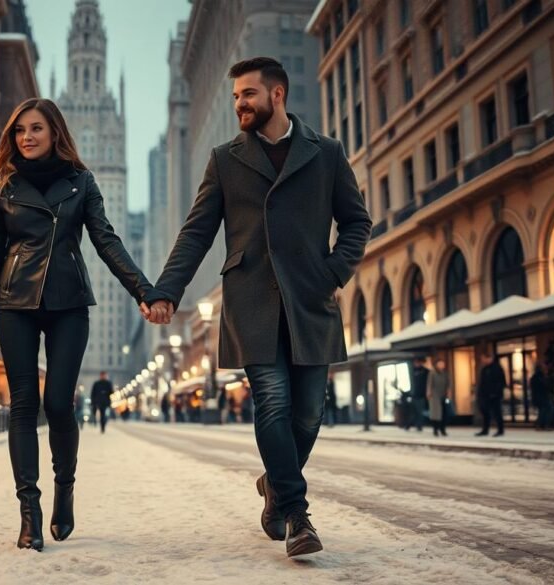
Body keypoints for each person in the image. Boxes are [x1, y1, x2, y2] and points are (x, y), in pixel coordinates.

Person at [142, 57, 371, 557]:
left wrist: (332, 272)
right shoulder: (226, 159)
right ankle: (296, 515)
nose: (240, 104)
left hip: (311, 299)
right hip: (249, 299)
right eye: (235, 97)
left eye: (248, 94)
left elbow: (357, 222)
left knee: (310, 413)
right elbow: (198, 231)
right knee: (272, 400)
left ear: (278, 95)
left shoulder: (326, 153)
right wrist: (166, 290)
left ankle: (273, 484)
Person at [0, 98, 155, 552]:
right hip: (16, 304)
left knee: (60, 404)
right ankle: (29, 512)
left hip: (69, 304)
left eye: (36, 129)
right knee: (24, 405)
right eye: (19, 131)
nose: (26, 137)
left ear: (55, 134)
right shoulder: (1, 185)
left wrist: (144, 290)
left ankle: (64, 488)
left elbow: (106, 240)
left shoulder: (81, 182)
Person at [474, 352, 506, 437]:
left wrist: (496, 393)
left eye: (483, 358)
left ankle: (500, 430)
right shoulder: (484, 369)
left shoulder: (497, 368)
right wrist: (480, 394)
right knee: (485, 413)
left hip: (494, 395)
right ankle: (485, 430)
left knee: (497, 412)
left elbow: (501, 382)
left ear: (489, 358)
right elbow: (482, 383)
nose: (482, 360)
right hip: (485, 395)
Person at [426, 358, 450, 437]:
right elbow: (429, 383)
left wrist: (448, 392)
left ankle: (443, 429)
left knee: (443, 413)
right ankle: (435, 430)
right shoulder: (432, 373)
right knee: (436, 413)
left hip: (443, 395)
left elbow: (448, 384)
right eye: (440, 364)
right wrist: (429, 393)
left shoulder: (445, 373)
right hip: (434, 395)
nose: (442, 365)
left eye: (443, 364)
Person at [407, 357, 430, 432]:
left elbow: (428, 384)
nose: (416, 364)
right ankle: (409, 425)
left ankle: (418, 426)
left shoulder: (426, 372)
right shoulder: (412, 370)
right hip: (413, 395)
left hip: (421, 395)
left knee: (420, 411)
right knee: (414, 412)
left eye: (418, 362)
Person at [530, 364, 553, 431]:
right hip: (542, 397)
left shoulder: (538, 377)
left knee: (544, 410)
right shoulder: (539, 378)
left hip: (541, 396)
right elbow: (543, 387)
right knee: (545, 410)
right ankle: (542, 424)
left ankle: (542, 424)